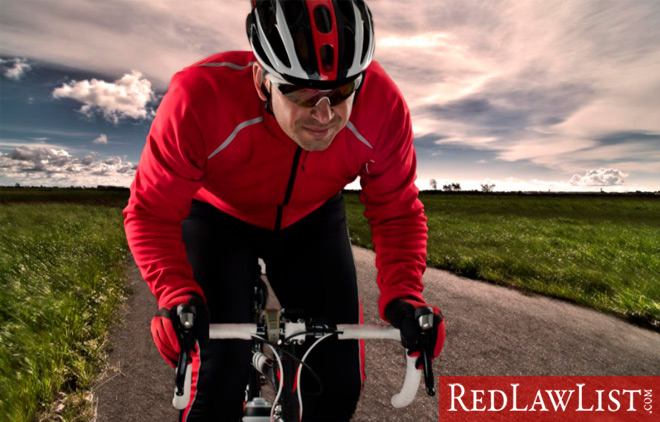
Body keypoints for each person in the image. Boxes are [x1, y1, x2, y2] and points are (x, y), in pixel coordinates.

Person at [123, 0, 445, 421]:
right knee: (214, 383)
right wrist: (175, 293)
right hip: (219, 219)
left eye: (342, 91)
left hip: (311, 219)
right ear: (262, 80)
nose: (326, 115)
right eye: (303, 93)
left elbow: (396, 210)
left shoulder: (384, 106)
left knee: (339, 387)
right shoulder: (197, 98)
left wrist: (404, 296)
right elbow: (150, 211)